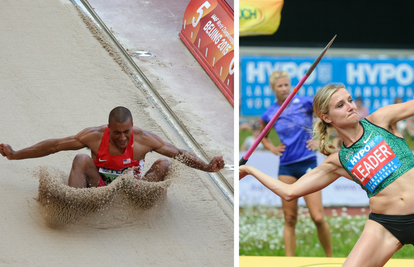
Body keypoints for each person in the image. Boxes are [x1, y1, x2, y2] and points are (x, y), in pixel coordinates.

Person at [240, 83, 414, 266]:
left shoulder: (380, 120)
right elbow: (289, 192)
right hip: (386, 225)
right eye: (340, 105)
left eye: (350, 100)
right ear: (326, 117)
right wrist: (249, 170)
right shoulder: (337, 161)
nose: (350, 106)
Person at [0, 106, 225, 188]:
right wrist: (15, 154)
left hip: (133, 188)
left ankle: (142, 204)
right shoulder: (95, 136)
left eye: (126, 132)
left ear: (132, 128)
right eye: (116, 133)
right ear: (108, 128)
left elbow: (179, 153)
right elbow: (55, 146)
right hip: (100, 185)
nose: (122, 138)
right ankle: (74, 203)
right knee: (80, 159)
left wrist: (207, 167)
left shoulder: (144, 139)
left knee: (164, 162)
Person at [258, 70, 332, 257]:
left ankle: (331, 258)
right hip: (286, 167)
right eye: (279, 86)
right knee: (290, 219)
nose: (284, 89)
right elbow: (262, 136)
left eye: (286, 85)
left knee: (317, 217)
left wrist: (320, 141)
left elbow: (328, 118)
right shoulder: (270, 113)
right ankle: (289, 261)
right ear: (273, 89)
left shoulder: (305, 102)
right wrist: (272, 148)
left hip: (308, 165)